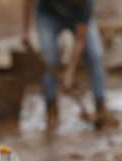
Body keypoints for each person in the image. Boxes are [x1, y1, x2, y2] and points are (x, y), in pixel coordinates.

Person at [23, 0, 112, 129]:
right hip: (48, 16)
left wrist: (69, 73)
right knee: (49, 58)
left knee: (96, 55)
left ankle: (101, 109)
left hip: (77, 19)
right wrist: (26, 30)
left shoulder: (86, 4)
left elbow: (80, 40)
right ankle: (51, 111)